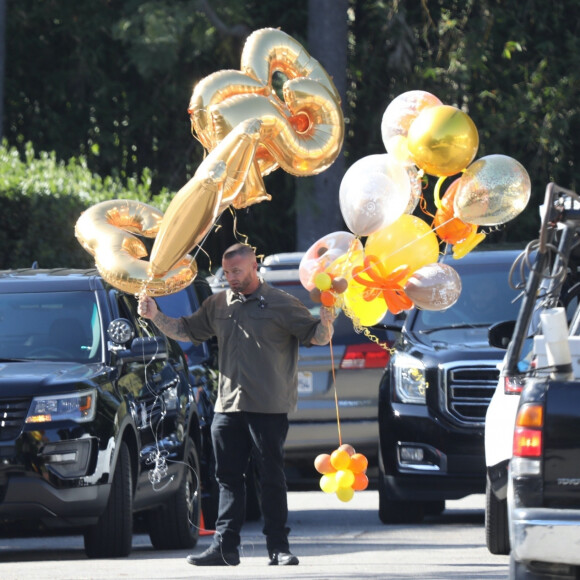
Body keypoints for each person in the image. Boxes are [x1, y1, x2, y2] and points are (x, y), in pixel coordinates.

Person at [138, 243, 336, 567]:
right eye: (227, 272)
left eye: (237, 272)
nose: (230, 278)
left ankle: (278, 548)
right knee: (227, 478)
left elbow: (317, 336)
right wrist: (155, 315)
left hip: (268, 405)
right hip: (227, 406)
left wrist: (326, 321)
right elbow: (186, 331)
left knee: (270, 476)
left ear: (254, 267)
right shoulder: (218, 304)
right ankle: (224, 548)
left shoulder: (281, 303)